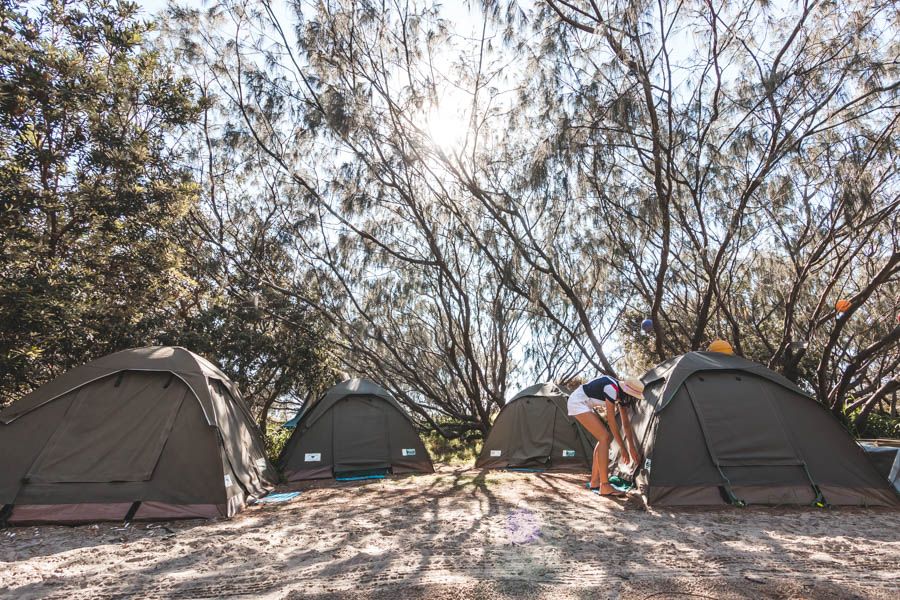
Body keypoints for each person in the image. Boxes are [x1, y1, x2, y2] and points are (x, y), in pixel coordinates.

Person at [567, 375, 644, 496]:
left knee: (604, 438)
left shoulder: (621, 396)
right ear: (627, 392)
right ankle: (605, 485)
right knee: (605, 437)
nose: (633, 400)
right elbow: (612, 421)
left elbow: (626, 424)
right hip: (577, 402)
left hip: (585, 404)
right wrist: (622, 449)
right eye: (633, 396)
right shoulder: (611, 388)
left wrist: (631, 447)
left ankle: (594, 481)